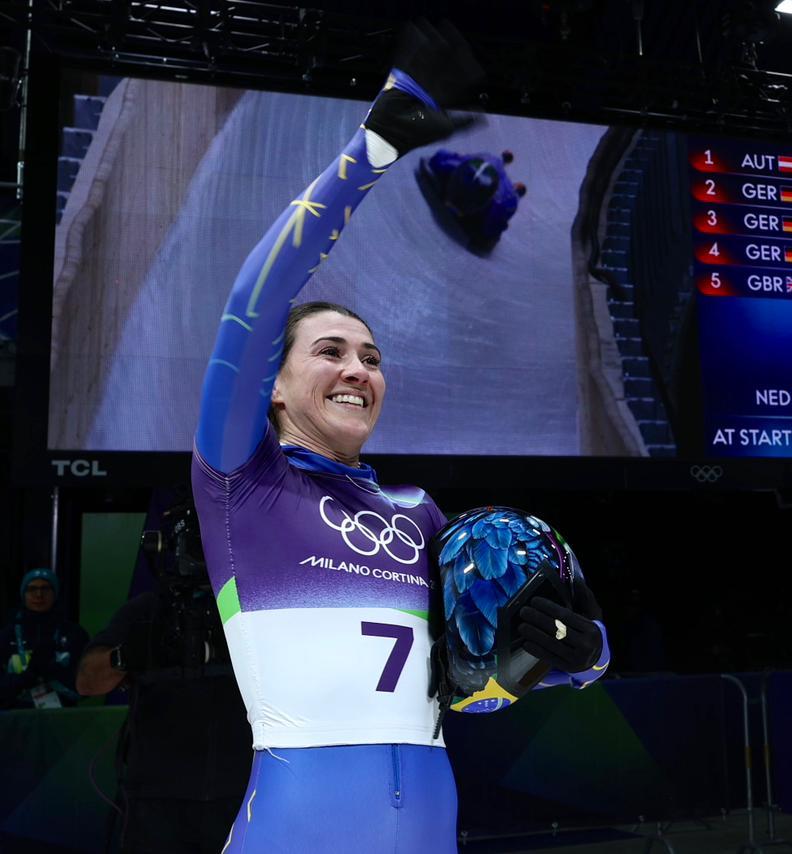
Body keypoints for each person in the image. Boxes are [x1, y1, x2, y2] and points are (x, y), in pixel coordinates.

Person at [190, 20, 608, 852]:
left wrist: (581, 651)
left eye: (372, 357)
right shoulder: (240, 479)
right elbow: (251, 306)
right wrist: (369, 154)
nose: (357, 369)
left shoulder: (421, 513)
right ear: (271, 386)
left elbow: (480, 682)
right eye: (330, 351)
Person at [76, 589, 252, 854]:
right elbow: (86, 682)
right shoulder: (146, 610)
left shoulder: (251, 604)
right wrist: (125, 655)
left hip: (238, 794)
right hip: (156, 798)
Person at [0, 568, 89, 709]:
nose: (39, 594)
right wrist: (26, 677)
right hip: (15, 720)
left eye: (46, 588)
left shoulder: (74, 633)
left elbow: (87, 686)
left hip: (62, 718)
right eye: (32, 589)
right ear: (23, 594)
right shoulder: (6, 635)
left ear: (55, 593)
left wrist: (53, 671)